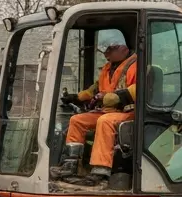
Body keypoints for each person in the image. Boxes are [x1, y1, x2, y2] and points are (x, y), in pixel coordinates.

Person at [53, 39, 137, 185]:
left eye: (109, 50)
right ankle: (71, 164)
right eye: (104, 51)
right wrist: (76, 97)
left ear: (123, 48)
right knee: (77, 120)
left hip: (129, 111)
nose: (105, 54)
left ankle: (101, 170)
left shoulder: (136, 66)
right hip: (108, 110)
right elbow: (95, 89)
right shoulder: (108, 68)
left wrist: (113, 97)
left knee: (104, 122)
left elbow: (137, 89)